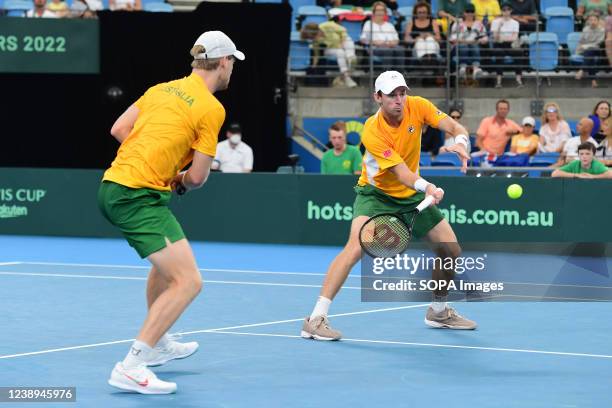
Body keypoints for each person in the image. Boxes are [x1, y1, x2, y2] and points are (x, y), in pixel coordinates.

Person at [98, 30, 244, 394]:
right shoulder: (212, 108)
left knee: (166, 269)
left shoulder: (160, 89)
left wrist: (152, 159)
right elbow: (196, 178)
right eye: (232, 63)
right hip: (136, 195)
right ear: (223, 62)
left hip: (117, 185)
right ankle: (132, 364)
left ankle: (158, 343)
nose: (232, 70)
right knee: (189, 281)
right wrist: (173, 175)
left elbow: (120, 129)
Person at [301, 71, 476, 341]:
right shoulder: (372, 131)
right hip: (377, 194)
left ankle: (438, 311)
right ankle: (315, 318)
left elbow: (455, 128)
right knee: (354, 248)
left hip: (411, 194)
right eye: (392, 94)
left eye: (402, 93)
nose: (399, 99)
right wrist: (427, 187)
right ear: (378, 97)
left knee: (450, 249)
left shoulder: (417, 106)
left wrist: (462, 143)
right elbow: (401, 173)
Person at [301, 21, 358, 88]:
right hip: (332, 48)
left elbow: (343, 30)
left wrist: (342, 42)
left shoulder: (328, 25)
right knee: (340, 52)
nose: (314, 39)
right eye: (312, 39)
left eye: (314, 37)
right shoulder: (315, 42)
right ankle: (346, 77)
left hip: (343, 40)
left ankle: (350, 62)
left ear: (318, 31)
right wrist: (313, 66)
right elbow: (316, 55)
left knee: (349, 50)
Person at [404, 2, 443, 84]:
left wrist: (430, 35)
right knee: (420, 41)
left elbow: (439, 38)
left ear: (428, 12)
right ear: (416, 13)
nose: (422, 14)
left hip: (433, 46)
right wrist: (417, 38)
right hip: (417, 47)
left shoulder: (433, 22)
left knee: (429, 39)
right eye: (420, 12)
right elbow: (406, 39)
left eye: (424, 12)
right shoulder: (411, 22)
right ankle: (426, 59)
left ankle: (429, 58)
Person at [360, 1, 403, 70]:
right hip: (375, 47)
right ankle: (387, 75)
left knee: (400, 49)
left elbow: (396, 39)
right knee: (388, 50)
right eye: (378, 10)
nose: (380, 12)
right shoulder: (368, 24)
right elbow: (363, 39)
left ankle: (399, 75)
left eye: (382, 10)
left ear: (385, 13)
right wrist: (374, 42)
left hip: (390, 46)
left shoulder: (389, 25)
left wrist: (393, 43)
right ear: (374, 12)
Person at [449, 3, 487, 80]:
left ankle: (476, 69)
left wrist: (480, 40)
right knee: (464, 46)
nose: (470, 13)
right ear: (464, 13)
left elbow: (485, 37)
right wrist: (465, 41)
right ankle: (463, 68)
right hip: (460, 45)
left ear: (474, 13)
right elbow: (452, 38)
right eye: (467, 11)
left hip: (475, 45)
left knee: (474, 46)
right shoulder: (457, 23)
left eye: (472, 11)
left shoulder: (479, 24)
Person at [490, 3, 523, 88]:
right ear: (501, 11)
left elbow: (514, 37)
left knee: (519, 52)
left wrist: (503, 38)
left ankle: (518, 80)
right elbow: (495, 38)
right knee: (498, 53)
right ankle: (498, 81)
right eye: (504, 10)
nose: (506, 11)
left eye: (508, 9)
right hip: (498, 45)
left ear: (511, 10)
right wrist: (499, 27)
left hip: (510, 45)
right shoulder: (495, 22)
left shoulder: (515, 23)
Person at [575, 13, 606, 88]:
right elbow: (581, 41)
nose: (593, 21)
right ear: (588, 21)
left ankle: (581, 70)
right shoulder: (585, 29)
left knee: (590, 51)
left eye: (595, 20)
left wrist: (586, 46)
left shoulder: (602, 30)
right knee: (590, 58)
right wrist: (578, 50)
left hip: (598, 50)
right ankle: (593, 81)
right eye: (591, 20)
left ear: (598, 21)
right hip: (587, 51)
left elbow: (599, 43)